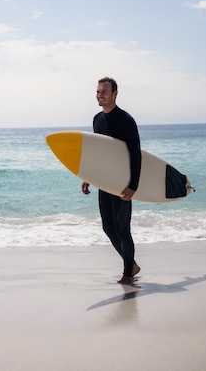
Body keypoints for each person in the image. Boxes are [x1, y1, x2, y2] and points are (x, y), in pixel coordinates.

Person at [81, 77, 142, 285]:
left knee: (122, 228)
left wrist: (133, 185)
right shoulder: (97, 119)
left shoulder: (125, 120)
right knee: (108, 227)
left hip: (122, 183)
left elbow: (136, 154)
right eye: (98, 91)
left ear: (115, 94)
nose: (100, 94)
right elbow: (98, 153)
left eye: (104, 91)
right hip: (104, 182)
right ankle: (131, 264)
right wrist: (88, 176)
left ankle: (127, 273)